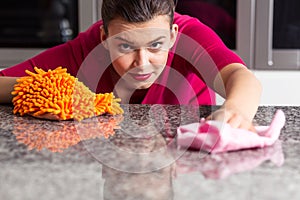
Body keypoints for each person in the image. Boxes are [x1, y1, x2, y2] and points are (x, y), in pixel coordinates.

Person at [0, 0, 261, 131]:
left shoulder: (190, 36)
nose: (142, 63)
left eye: (155, 45)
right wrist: (47, 93)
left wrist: (236, 110)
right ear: (104, 38)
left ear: (172, 35)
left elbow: (239, 75)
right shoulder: (86, 48)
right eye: (125, 47)